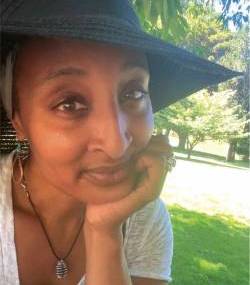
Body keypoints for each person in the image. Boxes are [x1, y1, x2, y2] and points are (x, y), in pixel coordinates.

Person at [0, 1, 240, 285]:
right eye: (70, 103)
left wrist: (104, 231)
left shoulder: (143, 220)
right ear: (18, 122)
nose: (116, 144)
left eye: (134, 93)